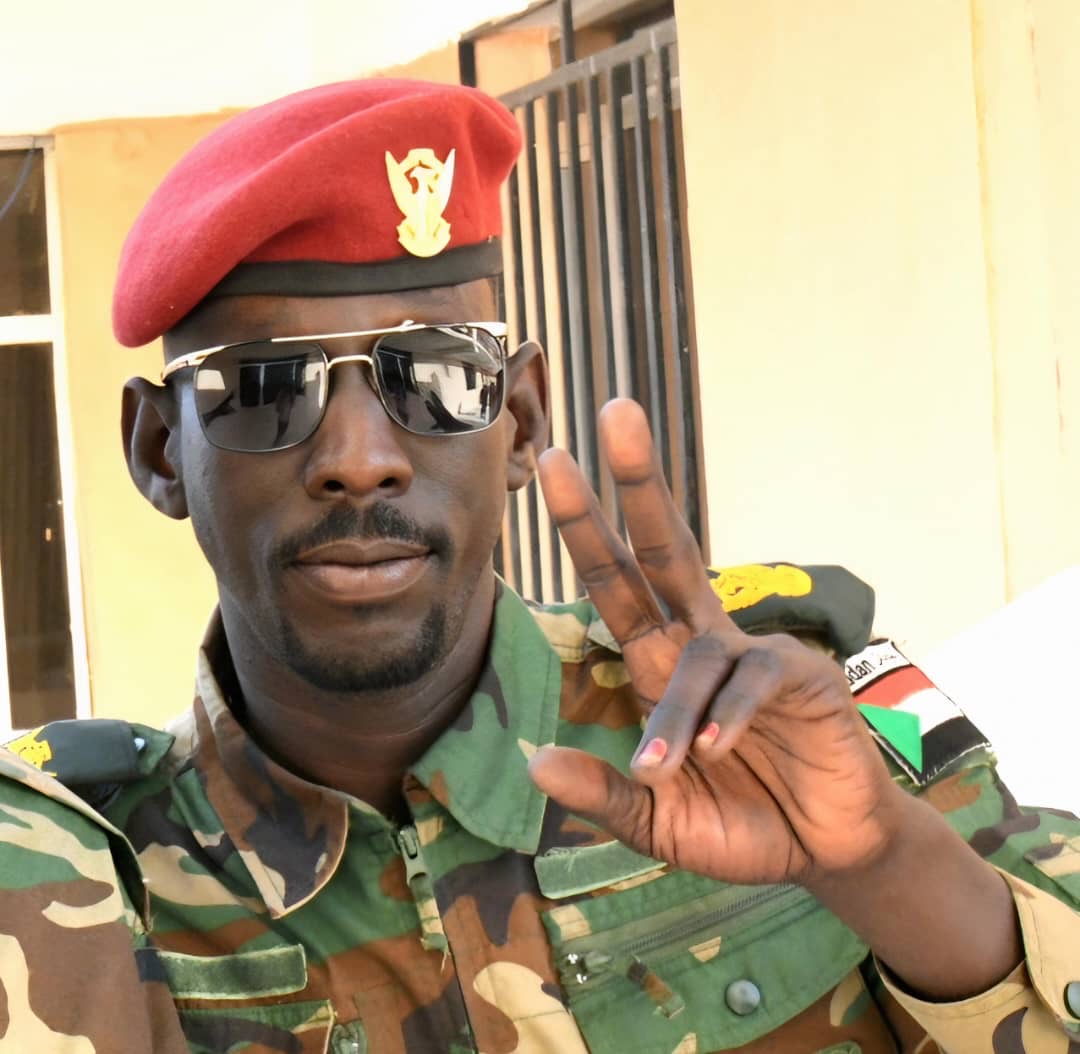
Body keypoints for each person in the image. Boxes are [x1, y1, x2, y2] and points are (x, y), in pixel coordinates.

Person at [1, 77, 1078, 1054]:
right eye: (266, 387)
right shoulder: (77, 902)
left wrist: (884, 862)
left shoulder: (768, 719)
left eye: (435, 376)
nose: (359, 460)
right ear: (160, 451)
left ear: (518, 419)